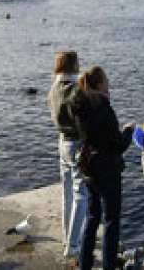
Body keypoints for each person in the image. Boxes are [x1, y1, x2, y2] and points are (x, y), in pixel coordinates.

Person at [70, 66, 134, 270]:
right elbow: (118, 144)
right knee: (111, 221)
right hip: (107, 168)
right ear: (99, 84)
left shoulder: (80, 106)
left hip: (89, 165)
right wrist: (129, 132)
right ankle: (108, 266)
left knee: (92, 217)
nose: (109, 83)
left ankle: (84, 264)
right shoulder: (104, 108)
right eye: (106, 80)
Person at [49, 51, 88, 260]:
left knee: (67, 193)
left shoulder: (54, 89)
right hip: (77, 144)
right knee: (81, 194)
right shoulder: (76, 90)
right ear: (73, 65)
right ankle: (73, 245)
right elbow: (83, 120)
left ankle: (67, 237)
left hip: (62, 142)